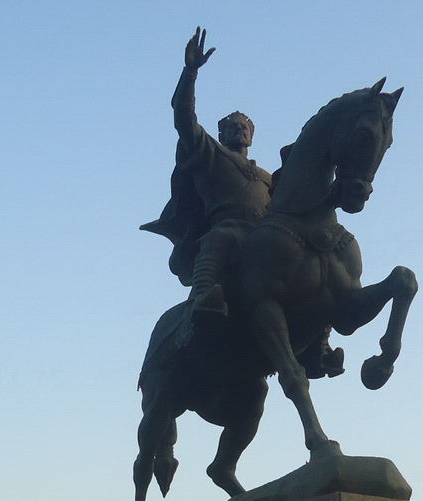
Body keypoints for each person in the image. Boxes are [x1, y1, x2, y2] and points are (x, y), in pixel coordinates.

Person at [142, 28, 343, 377]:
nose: (239, 129)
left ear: (252, 135)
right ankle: (204, 298)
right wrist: (190, 73)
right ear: (221, 133)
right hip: (229, 228)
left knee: (313, 270)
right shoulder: (210, 153)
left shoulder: (267, 176)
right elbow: (184, 118)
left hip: (268, 238)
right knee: (220, 239)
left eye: (244, 126)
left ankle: (318, 345)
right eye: (232, 126)